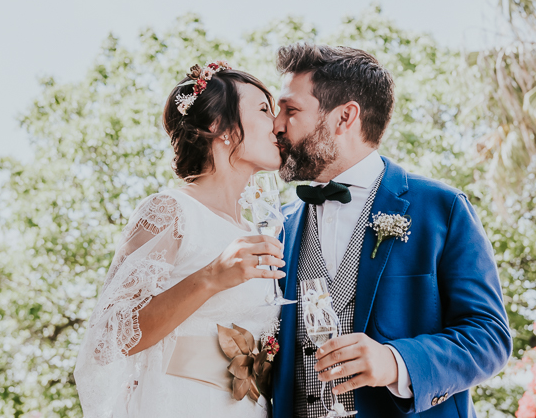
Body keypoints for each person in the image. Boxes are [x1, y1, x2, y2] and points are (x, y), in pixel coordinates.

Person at [270, 45, 512, 418]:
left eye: (291, 110)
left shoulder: (441, 208)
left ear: (344, 117)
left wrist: (396, 361)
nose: (277, 125)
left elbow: (490, 337)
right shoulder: (279, 226)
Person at [74, 62, 286, 418]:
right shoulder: (171, 211)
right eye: (264, 109)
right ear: (221, 128)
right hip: (180, 402)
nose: (277, 124)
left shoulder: (259, 231)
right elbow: (107, 336)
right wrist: (210, 278)